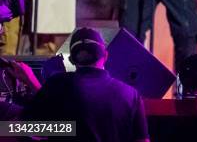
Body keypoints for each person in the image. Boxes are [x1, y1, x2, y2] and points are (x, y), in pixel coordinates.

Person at [22, 27, 150, 142]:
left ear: (72, 59)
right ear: (105, 56)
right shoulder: (131, 95)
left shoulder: (57, 84)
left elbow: (24, 129)